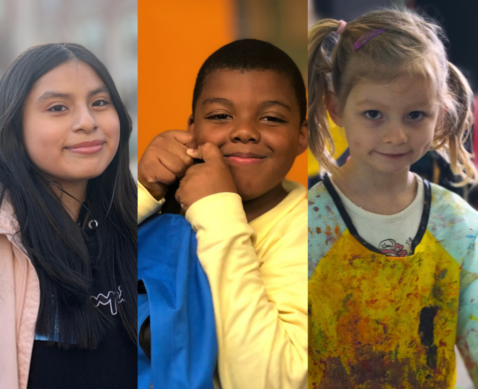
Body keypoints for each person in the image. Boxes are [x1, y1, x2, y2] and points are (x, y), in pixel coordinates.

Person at [307, 9, 478, 386]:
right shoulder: (306, 224)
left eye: (415, 114)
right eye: (374, 114)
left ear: (441, 112)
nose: (397, 135)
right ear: (336, 108)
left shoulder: (459, 226)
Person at [0, 43, 148, 389]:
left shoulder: (131, 220)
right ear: (14, 127)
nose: (87, 122)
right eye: (58, 107)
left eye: (99, 102)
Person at [137, 38, 310, 388]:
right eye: (219, 116)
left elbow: (271, 382)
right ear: (192, 129)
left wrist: (217, 211)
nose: (244, 132)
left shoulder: (312, 232)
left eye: (272, 118)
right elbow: (75, 277)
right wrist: (142, 193)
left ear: (301, 136)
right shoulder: (160, 202)